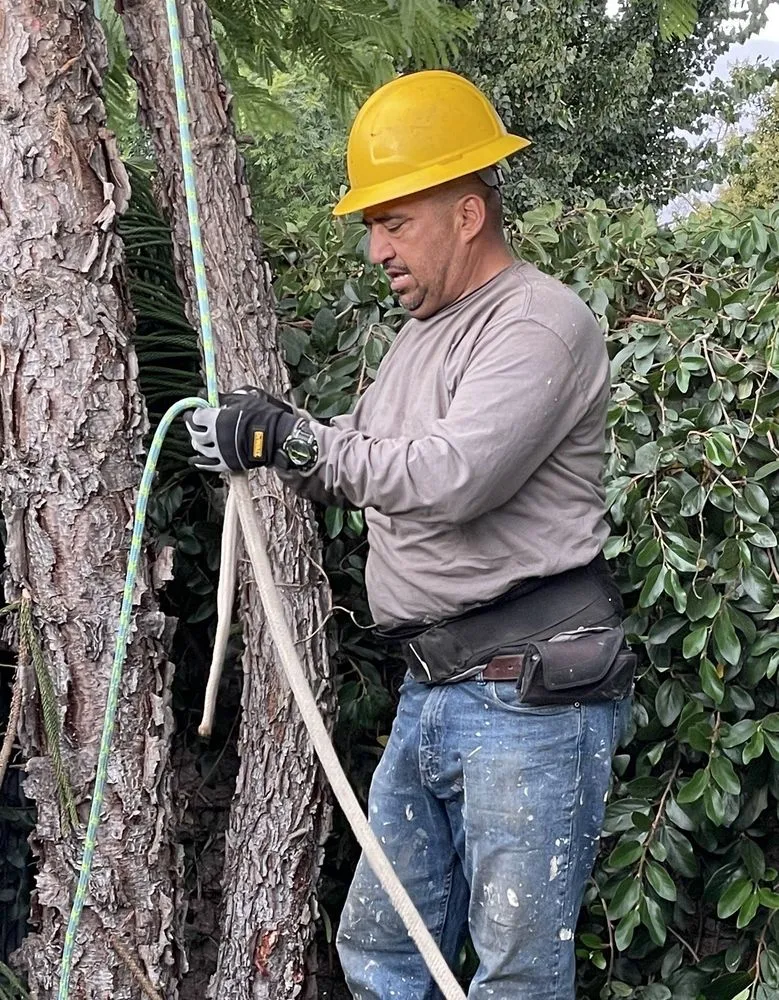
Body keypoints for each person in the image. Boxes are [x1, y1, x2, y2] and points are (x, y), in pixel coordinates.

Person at [186, 69, 634, 1000]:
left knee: (515, 977)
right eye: (370, 226)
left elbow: (451, 478)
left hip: (528, 697)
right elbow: (365, 458)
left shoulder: (538, 324)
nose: (375, 248)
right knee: (383, 949)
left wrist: (294, 440)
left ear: (466, 213)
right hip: (433, 689)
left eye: (395, 221)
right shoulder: (418, 337)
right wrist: (261, 441)